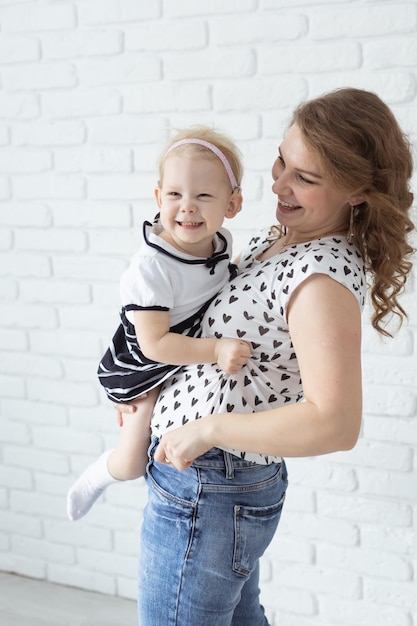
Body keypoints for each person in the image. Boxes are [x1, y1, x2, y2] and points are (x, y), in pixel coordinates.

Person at [119, 87, 414, 626]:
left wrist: (205, 430)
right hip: (210, 481)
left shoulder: (320, 276)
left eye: (306, 178)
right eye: (282, 161)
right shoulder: (285, 237)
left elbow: (336, 423)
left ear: (357, 193)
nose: (278, 184)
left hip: (210, 481)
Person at [66, 126, 251, 521]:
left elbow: (213, 283)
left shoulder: (220, 243)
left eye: (203, 196)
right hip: (146, 365)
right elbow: (155, 345)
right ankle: (98, 474)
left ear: (231, 205)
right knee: (133, 461)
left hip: (179, 356)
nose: (187, 207)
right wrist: (215, 350)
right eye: (175, 195)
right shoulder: (152, 265)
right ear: (157, 197)